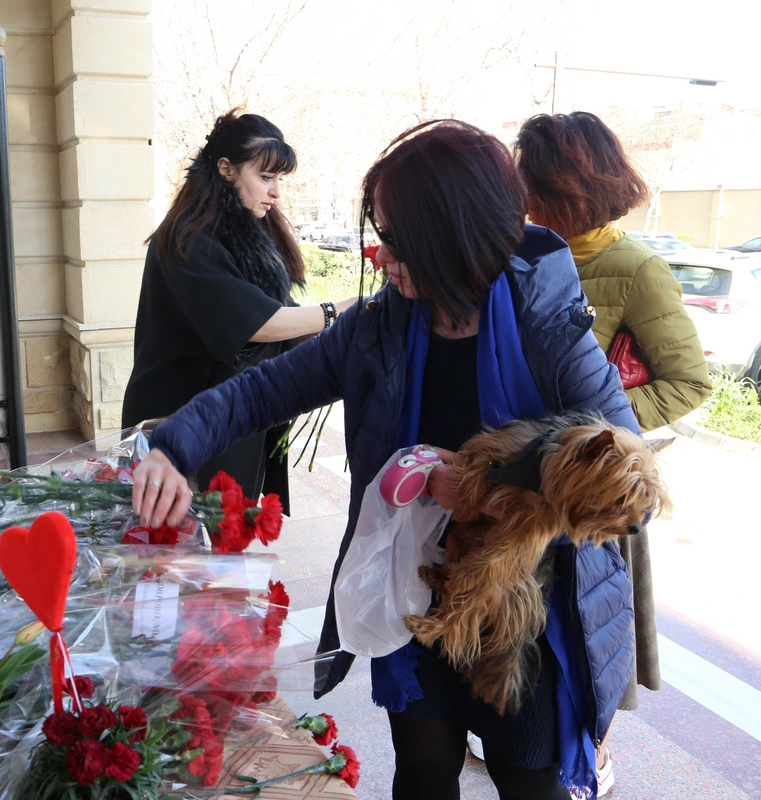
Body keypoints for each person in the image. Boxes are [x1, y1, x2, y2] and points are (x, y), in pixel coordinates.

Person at [130, 119, 640, 800]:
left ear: (451, 235)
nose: (379, 253)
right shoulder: (380, 327)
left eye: (396, 237)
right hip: (414, 582)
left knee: (527, 779)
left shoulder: (546, 326)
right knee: (424, 769)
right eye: (380, 231)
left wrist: (489, 486)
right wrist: (172, 444)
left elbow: (625, 475)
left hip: (527, 603)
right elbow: (265, 389)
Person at [514, 110, 712, 795]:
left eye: (532, 180)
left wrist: (602, 439)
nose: (521, 192)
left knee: (596, 637)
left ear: (569, 184)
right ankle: (533, 740)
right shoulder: (522, 253)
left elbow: (688, 381)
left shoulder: (635, 266)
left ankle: (590, 760)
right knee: (529, 628)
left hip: (595, 493)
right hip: (527, 481)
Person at [121, 110, 355, 501]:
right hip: (180, 423)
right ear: (226, 169)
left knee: (215, 541)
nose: (276, 191)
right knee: (185, 548)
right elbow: (257, 323)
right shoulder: (189, 236)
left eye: (279, 179)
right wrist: (339, 311)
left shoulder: (247, 236)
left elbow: (286, 316)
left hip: (226, 418)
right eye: (266, 178)